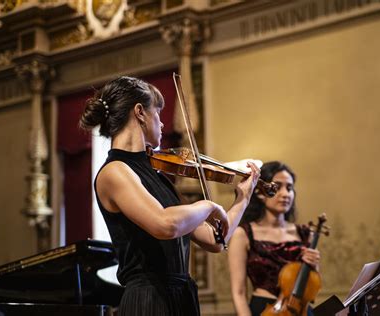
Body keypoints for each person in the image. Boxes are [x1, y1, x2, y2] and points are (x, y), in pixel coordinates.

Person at [79, 76, 260, 316]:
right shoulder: (116, 171)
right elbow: (165, 224)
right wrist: (207, 206)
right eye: (158, 113)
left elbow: (214, 239)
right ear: (140, 112)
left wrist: (243, 199)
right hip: (148, 300)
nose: (163, 124)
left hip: (179, 297)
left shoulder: (158, 175)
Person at [228, 161, 321, 316]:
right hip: (263, 309)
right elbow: (239, 292)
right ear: (260, 192)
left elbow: (312, 285)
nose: (285, 194)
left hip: (300, 310)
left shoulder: (305, 233)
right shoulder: (243, 233)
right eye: (278, 187)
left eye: (290, 188)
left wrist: (315, 265)